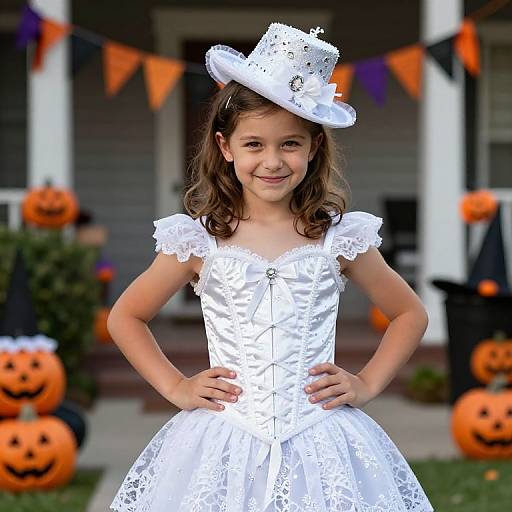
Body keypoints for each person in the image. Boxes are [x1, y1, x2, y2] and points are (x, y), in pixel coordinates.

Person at [109, 22, 434, 512]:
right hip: (226, 435)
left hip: (320, 437)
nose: (272, 161)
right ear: (225, 148)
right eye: (254, 144)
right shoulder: (200, 239)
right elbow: (125, 316)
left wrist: (366, 382)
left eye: (290, 144)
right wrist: (176, 385)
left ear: (313, 147)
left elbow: (410, 314)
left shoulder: (338, 238)